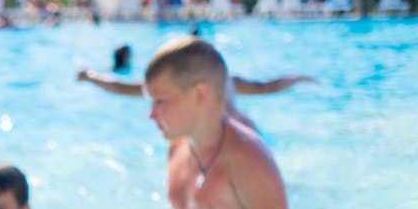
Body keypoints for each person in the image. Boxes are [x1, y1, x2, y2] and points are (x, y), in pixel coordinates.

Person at [142, 36, 295, 209]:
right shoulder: (178, 146)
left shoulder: (246, 156)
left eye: (160, 101)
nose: (151, 114)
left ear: (201, 94)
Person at [76, 63, 316, 132]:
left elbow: (124, 88)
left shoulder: (178, 88)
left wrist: (91, 76)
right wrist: (298, 79)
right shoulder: (226, 81)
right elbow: (267, 87)